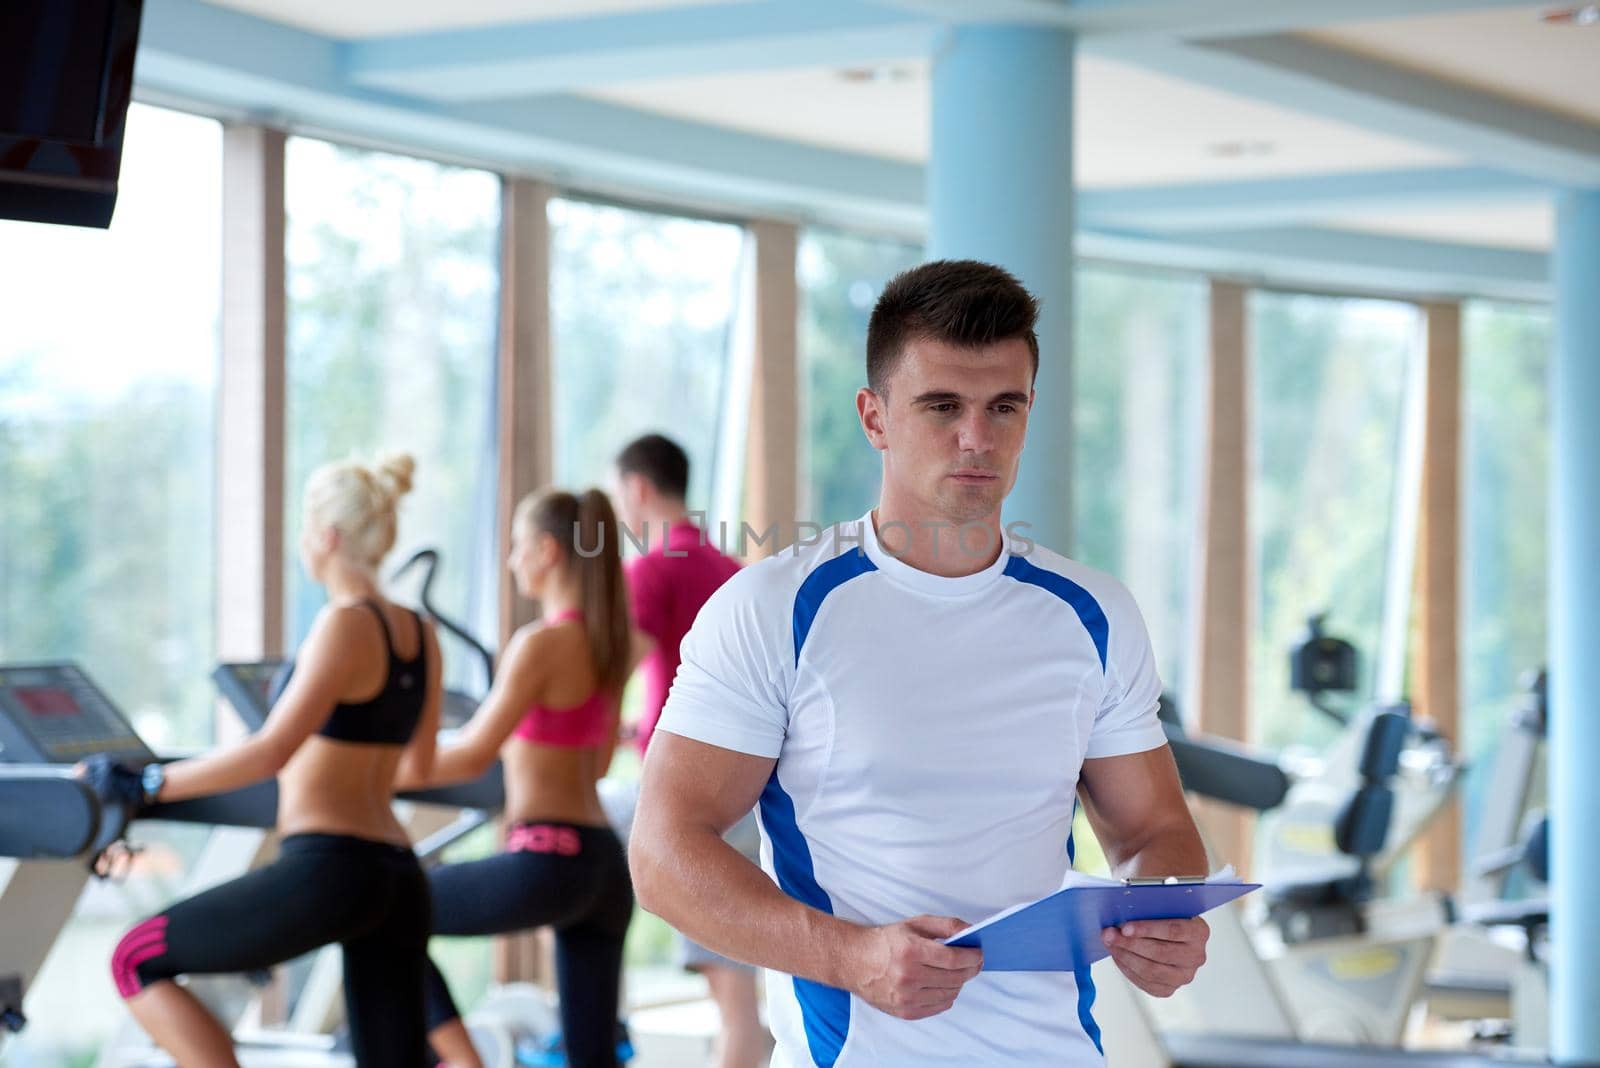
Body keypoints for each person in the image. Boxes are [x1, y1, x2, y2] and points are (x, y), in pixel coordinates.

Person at [629, 260, 1211, 1066]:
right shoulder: (774, 610)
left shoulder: (1093, 612)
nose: (977, 437)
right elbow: (662, 854)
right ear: (874, 417)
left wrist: (1163, 914)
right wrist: (849, 958)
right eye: (943, 406)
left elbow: (1152, 829)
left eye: (1003, 407)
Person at [84, 454, 443, 1067]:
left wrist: (145, 784)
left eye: (306, 528)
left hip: (331, 869)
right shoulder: (419, 632)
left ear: (326, 537)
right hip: (397, 874)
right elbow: (419, 767)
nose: (304, 543)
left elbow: (273, 750)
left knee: (134, 958)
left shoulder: (342, 624)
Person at [402, 488, 635, 1068]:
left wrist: (370, 773)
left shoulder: (539, 644)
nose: (510, 560)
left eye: (516, 546)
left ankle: (463, 1060)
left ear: (548, 550)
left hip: (547, 857)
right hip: (604, 866)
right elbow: (601, 763)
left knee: (385, 907)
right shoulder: (611, 644)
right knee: (593, 1058)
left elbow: (470, 756)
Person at [612, 433, 767, 1068]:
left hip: (688, 793)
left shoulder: (651, 567)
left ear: (638, 489)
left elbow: (604, 673)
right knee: (733, 989)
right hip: (745, 784)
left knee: (568, 853)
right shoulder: (728, 567)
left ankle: (598, 1026)